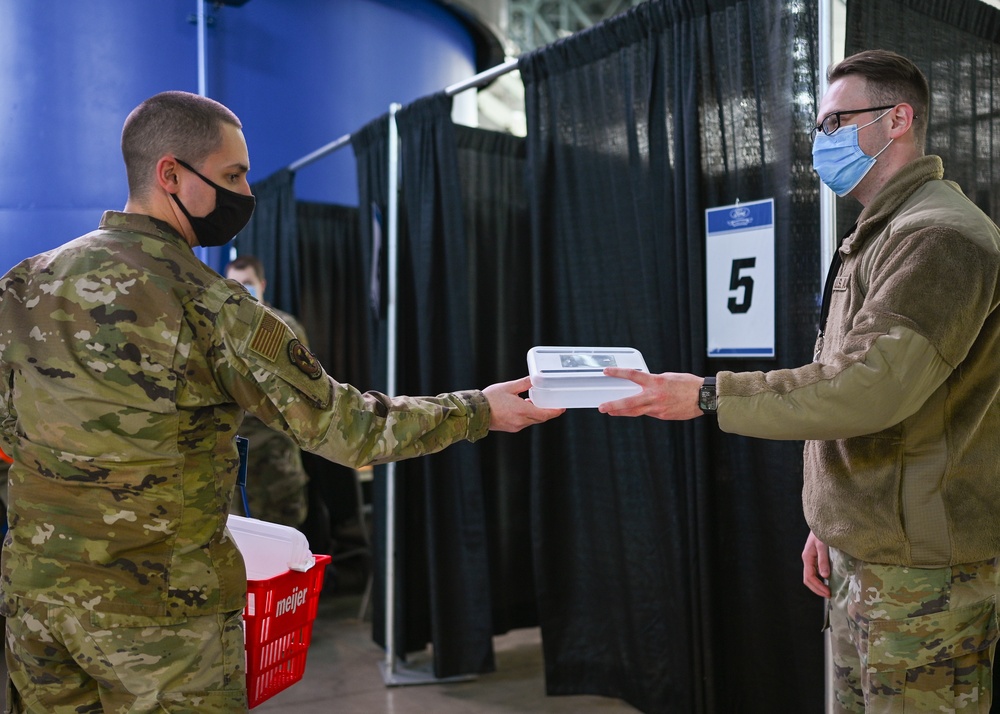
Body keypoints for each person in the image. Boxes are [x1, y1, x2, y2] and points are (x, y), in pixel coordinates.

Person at [0, 90, 563, 713]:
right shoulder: (213, 307)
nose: (245, 193)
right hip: (158, 619)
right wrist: (480, 410)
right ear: (170, 174)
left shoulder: (27, 282)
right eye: (232, 175)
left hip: (37, 601)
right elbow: (350, 430)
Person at [599, 50, 1000, 712]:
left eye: (838, 121)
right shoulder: (881, 234)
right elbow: (855, 393)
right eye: (820, 125)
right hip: (873, 554)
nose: (822, 141)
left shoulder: (940, 237)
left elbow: (870, 389)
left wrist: (705, 394)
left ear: (898, 119)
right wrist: (832, 519)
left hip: (922, 575)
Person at [224, 255, 311, 528]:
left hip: (275, 460)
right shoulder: (221, 330)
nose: (242, 291)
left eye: (248, 284)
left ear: (262, 284)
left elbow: (305, 391)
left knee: (281, 543)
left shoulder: (285, 328)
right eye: (234, 285)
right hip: (232, 461)